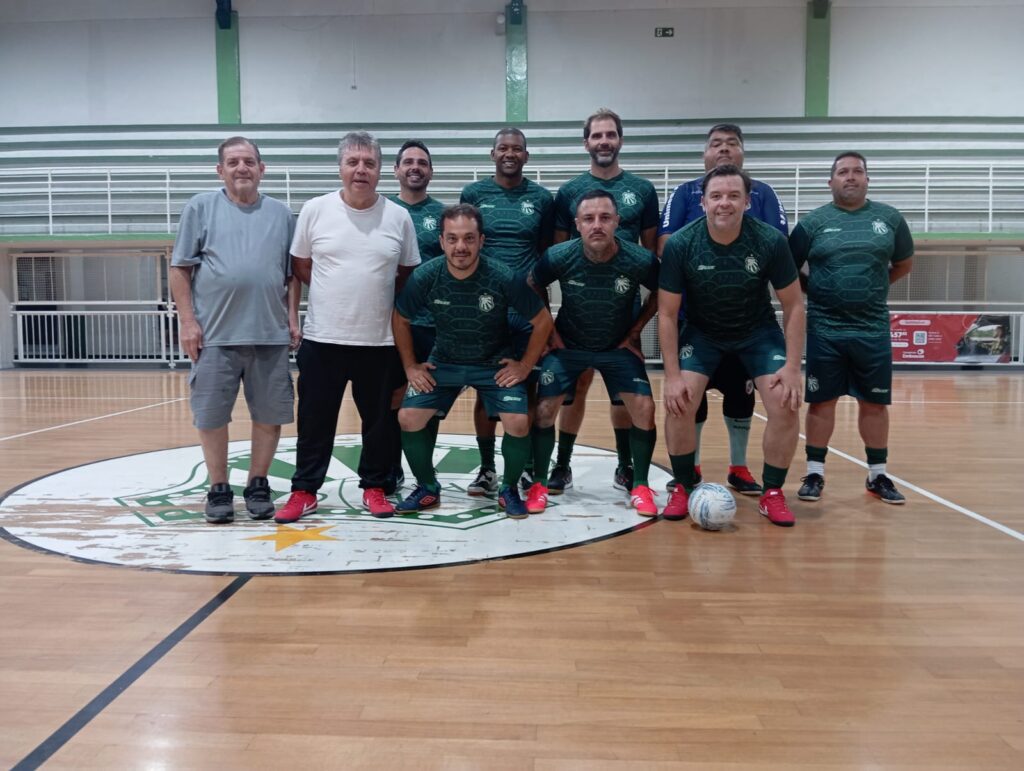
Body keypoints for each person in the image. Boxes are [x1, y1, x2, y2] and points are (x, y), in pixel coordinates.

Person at [275, 131, 420, 523]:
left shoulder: (398, 217)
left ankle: (375, 487)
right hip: (323, 340)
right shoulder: (315, 210)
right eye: (353, 162)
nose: (361, 170)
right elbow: (301, 266)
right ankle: (305, 491)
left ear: (380, 170)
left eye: (369, 163)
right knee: (314, 422)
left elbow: (407, 272)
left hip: (380, 342)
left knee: (379, 424)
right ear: (340, 167)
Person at [658, 165, 805, 526]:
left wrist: (792, 367)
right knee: (680, 401)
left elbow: (794, 306)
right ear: (703, 202)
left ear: (747, 201)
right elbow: (667, 314)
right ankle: (683, 486)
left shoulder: (770, 241)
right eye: (717, 196)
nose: (725, 203)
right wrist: (672, 376)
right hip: (702, 333)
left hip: (757, 333)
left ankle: (772, 493)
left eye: (733, 196)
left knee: (784, 403)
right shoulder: (681, 244)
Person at [392, 204, 554, 519]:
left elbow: (543, 321)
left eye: (468, 238)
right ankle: (427, 488)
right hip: (444, 361)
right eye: (452, 239)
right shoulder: (427, 275)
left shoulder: (503, 276)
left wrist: (523, 365)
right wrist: (411, 366)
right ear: (441, 241)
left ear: (481, 240)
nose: (460, 247)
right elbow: (400, 318)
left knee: (518, 421)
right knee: (408, 417)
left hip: (493, 363)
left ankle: (508, 489)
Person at [169, 136, 299, 524]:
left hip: (269, 335)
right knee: (211, 417)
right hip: (214, 336)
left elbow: (292, 275)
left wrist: (293, 318)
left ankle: (258, 484)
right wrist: (188, 322)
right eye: (233, 162)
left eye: (249, 161)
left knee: (269, 416)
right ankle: (219, 488)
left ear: (262, 169)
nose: (241, 168)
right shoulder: (200, 208)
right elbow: (180, 269)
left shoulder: (281, 214)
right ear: (220, 170)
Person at [547, 108, 660, 496]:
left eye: (610, 134)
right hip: (578, 312)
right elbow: (559, 255)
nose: (604, 141)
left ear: (620, 140)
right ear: (586, 143)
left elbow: (650, 254)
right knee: (574, 389)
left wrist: (638, 323)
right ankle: (561, 465)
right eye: (597, 135)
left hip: (623, 311)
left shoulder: (642, 190)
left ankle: (626, 466)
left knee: (622, 395)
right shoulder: (569, 191)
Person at [790, 151, 914, 504]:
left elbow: (904, 264)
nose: (850, 177)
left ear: (867, 179)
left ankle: (877, 475)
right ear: (830, 181)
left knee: (874, 403)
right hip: (825, 329)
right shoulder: (813, 223)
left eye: (857, 171)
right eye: (843, 172)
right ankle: (815, 473)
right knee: (821, 402)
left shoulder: (889, 219)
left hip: (872, 329)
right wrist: (815, 291)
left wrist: (876, 288)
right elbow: (788, 268)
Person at [528, 190, 660, 515]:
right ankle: (541, 483)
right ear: (577, 224)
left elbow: (663, 291)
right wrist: (550, 331)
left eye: (604, 218)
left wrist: (635, 331)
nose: (597, 225)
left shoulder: (639, 259)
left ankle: (640, 484)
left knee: (644, 407)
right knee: (544, 409)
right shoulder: (559, 255)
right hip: (569, 346)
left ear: (617, 222)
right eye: (588, 219)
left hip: (617, 347)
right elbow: (533, 283)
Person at [460, 128, 555, 496]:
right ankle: (486, 469)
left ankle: (525, 467)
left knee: (526, 387)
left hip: (527, 311)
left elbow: (547, 255)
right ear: (493, 154)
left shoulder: (542, 198)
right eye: (503, 148)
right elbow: (465, 245)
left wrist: (541, 305)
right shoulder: (474, 194)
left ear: (526, 156)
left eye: (517, 149)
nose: (510, 154)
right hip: (485, 308)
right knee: (486, 390)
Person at [385, 140, 447, 493]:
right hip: (389, 322)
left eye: (422, 162)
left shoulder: (442, 215)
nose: (415, 167)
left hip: (432, 323)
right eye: (408, 162)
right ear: (396, 170)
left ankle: (424, 466)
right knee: (392, 395)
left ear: (431, 172)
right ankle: (391, 464)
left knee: (427, 397)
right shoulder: (381, 210)